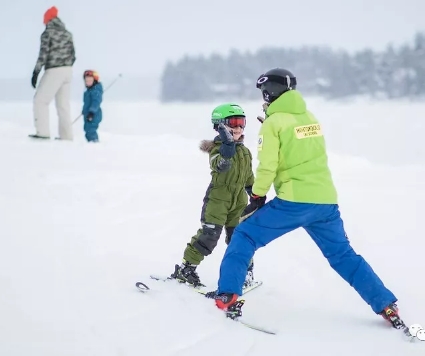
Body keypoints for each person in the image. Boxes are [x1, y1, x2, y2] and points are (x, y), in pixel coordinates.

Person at [210, 68, 404, 328]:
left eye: (264, 93)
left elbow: (268, 165)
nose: (263, 98)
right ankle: (385, 304)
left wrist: (257, 194)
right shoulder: (310, 118)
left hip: (293, 202)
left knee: (244, 235)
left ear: (270, 92)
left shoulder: (273, 124)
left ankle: (228, 294)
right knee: (343, 255)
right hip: (325, 202)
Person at [170, 103, 257, 290]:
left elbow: (248, 175)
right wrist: (227, 146)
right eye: (233, 123)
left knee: (241, 238)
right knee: (209, 236)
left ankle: (245, 271)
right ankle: (186, 269)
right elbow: (220, 165)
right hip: (217, 201)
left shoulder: (245, 152)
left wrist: (255, 193)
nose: (238, 128)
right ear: (220, 126)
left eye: (242, 123)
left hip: (239, 203)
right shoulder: (217, 150)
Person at [29, 6, 76, 141]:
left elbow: (43, 55)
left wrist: (36, 72)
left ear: (48, 19)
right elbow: (73, 55)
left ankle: (42, 133)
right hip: (68, 71)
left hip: (54, 70)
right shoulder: (68, 34)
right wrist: (67, 65)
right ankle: (66, 137)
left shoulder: (48, 33)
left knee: (40, 101)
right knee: (63, 105)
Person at [81, 70, 104, 142]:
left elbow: (96, 102)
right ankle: (90, 142)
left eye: (90, 80)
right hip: (88, 114)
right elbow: (87, 103)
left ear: (94, 81)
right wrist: (84, 111)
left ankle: (94, 141)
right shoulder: (88, 91)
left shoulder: (95, 91)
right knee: (87, 128)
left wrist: (92, 112)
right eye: (86, 80)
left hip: (94, 114)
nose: (88, 82)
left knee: (91, 129)